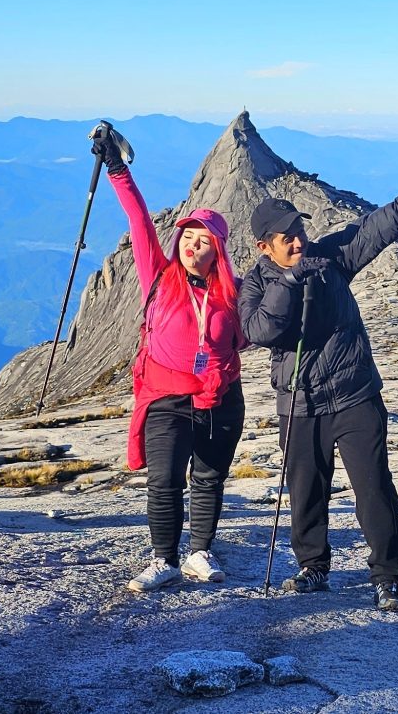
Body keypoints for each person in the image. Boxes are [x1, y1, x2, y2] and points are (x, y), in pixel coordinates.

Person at [238, 163, 398, 611]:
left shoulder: (330, 260)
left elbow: (378, 225)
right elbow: (260, 331)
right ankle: (313, 568)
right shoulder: (254, 285)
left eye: (298, 230)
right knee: (306, 490)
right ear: (263, 246)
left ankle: (387, 577)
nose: (297, 240)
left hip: (354, 397)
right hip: (299, 403)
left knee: (373, 488)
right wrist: (290, 283)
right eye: (286, 236)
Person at [91, 124, 246, 593]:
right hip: (166, 396)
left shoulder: (233, 294)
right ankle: (164, 559)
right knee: (164, 480)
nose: (191, 245)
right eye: (187, 237)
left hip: (220, 398)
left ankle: (200, 551)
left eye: (202, 241)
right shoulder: (158, 276)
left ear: (216, 250)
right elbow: (138, 220)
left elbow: (254, 334)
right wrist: (116, 167)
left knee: (208, 477)